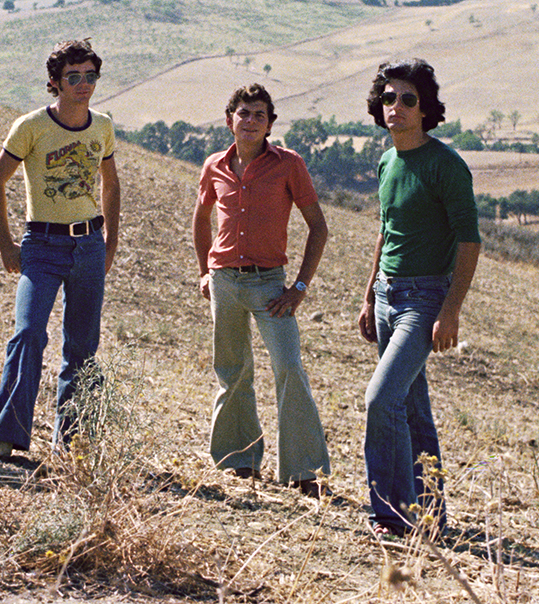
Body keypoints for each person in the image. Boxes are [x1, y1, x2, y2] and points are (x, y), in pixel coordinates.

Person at [0, 38, 121, 462]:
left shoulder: (103, 126)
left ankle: (72, 446)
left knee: (82, 348)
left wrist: (110, 242)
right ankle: (6, 439)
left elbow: (110, 184)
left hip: (89, 245)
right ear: (55, 82)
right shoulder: (31, 126)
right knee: (28, 333)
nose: (84, 85)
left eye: (91, 76)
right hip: (41, 244)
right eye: (74, 77)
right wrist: (6, 245)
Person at [356, 58, 480, 538]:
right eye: (388, 98)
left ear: (425, 108)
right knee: (410, 408)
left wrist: (450, 310)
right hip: (388, 295)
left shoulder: (445, 165)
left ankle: (391, 515)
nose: (396, 107)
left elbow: (469, 241)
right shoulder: (388, 160)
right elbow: (386, 231)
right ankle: (431, 518)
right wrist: (369, 295)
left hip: (425, 298)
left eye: (408, 99)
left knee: (380, 400)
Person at [192, 83, 331, 496]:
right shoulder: (214, 165)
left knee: (289, 367)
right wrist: (204, 271)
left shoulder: (289, 165)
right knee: (233, 370)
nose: (250, 121)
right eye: (243, 113)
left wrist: (300, 287)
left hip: (270, 284)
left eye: (259, 115)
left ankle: (304, 471)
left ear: (270, 124)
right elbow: (201, 221)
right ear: (229, 119)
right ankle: (239, 460)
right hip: (225, 282)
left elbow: (318, 228)